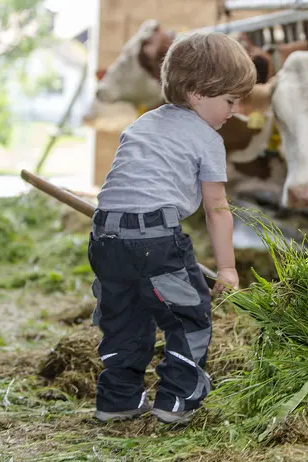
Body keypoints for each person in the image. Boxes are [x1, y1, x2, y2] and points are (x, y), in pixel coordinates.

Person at [87, 31, 256, 425]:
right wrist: (228, 268)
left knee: (124, 318)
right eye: (230, 100)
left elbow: (125, 186)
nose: (236, 110)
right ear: (198, 93)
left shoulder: (143, 124)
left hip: (105, 237)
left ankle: (117, 400)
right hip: (155, 239)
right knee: (188, 317)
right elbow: (217, 209)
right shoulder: (208, 139)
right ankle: (177, 401)